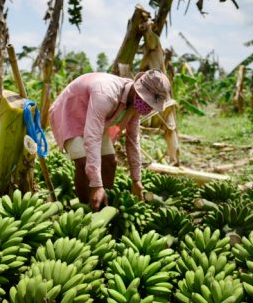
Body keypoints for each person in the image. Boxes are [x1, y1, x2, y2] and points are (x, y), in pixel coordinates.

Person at [49, 69, 175, 211]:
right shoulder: (106, 94)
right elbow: (92, 138)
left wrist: (136, 179)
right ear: (137, 89)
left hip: (95, 119)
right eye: (147, 100)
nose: (147, 105)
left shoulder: (134, 104)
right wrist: (96, 184)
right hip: (71, 113)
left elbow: (133, 140)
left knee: (110, 162)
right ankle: (85, 208)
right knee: (83, 162)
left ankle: (102, 204)